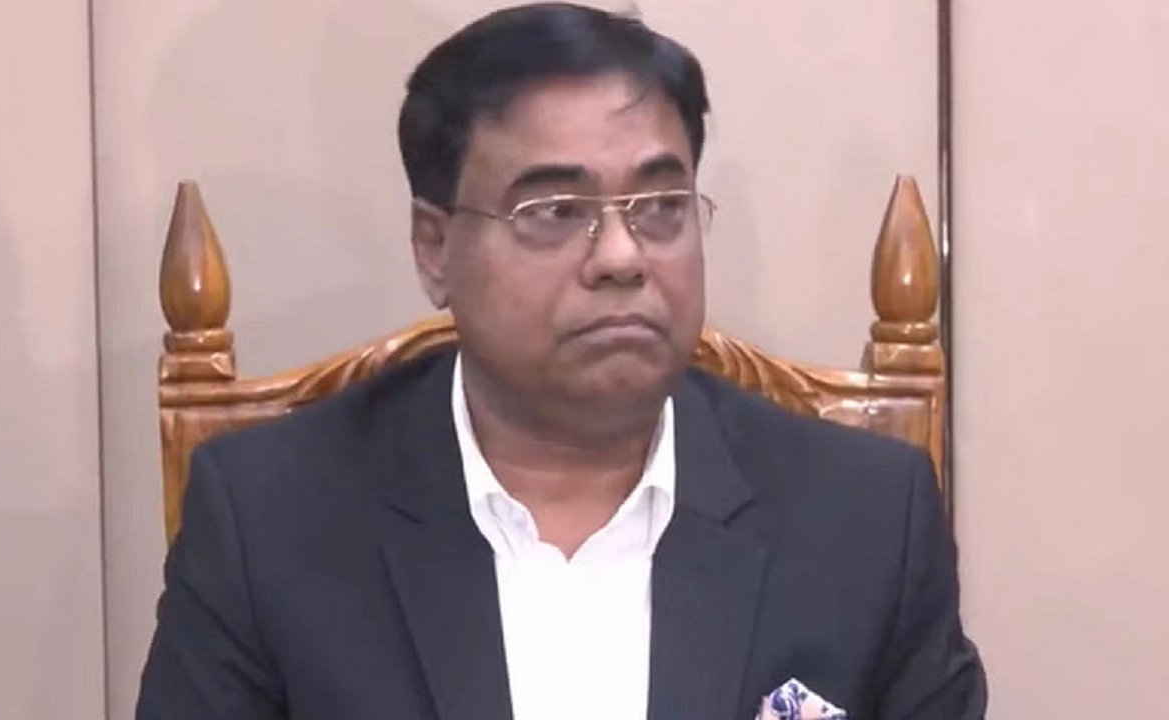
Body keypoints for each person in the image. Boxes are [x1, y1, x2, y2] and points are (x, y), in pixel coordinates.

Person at [135, 3, 987, 719]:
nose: (622, 255)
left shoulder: (867, 519)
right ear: (434, 247)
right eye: (553, 210)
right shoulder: (270, 521)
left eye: (660, 205)